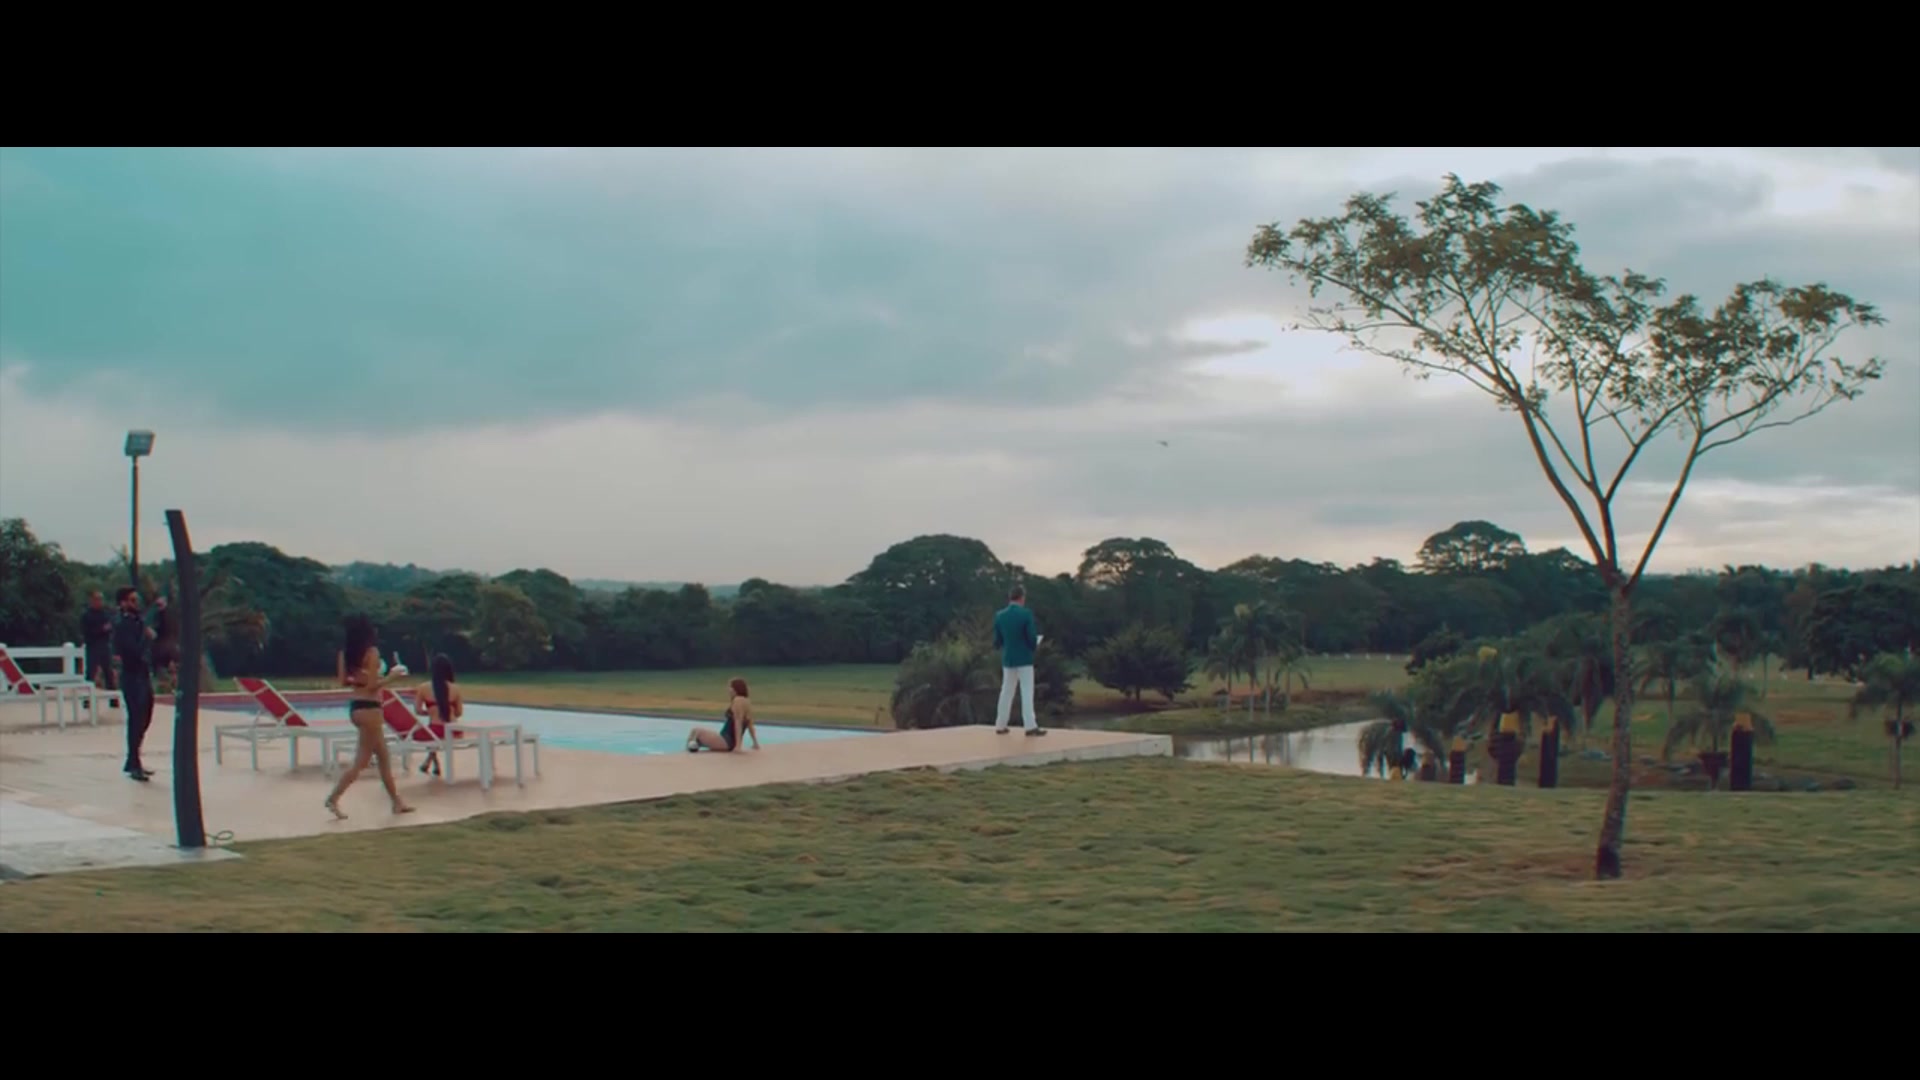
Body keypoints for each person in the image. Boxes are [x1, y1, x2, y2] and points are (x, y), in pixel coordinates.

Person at [324, 615, 414, 819]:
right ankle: (333, 798)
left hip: (356, 708)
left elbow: (343, 681)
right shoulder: (372, 653)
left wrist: (360, 679)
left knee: (383, 757)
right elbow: (373, 686)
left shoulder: (345, 654)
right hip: (371, 709)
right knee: (361, 762)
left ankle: (397, 802)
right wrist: (391, 678)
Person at [112, 587, 157, 780]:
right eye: (131, 600)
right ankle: (133, 762)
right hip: (132, 675)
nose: (135, 604)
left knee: (145, 715)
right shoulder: (122, 625)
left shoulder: (139, 622)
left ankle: (133, 759)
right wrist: (146, 638)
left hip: (142, 674)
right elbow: (132, 651)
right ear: (123, 603)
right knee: (136, 718)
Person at [992, 584, 1046, 736]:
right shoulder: (1026, 614)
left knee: (1006, 691)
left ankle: (1000, 724)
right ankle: (1030, 725)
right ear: (1022, 598)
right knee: (1027, 691)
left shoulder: (999, 615)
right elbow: (1031, 637)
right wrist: (1034, 645)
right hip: (1024, 658)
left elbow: (997, 641)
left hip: (1008, 658)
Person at [411, 654, 462, 778]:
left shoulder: (423, 688)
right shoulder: (455, 688)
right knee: (432, 736)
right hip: (454, 730)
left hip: (435, 729)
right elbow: (459, 713)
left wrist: (430, 711)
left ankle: (433, 762)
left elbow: (418, 710)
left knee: (428, 734)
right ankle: (430, 762)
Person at [686, 677, 760, 753]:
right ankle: (694, 747)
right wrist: (755, 743)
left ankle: (687, 753)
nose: (728, 690)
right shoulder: (747, 701)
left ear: (735, 689)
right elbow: (749, 723)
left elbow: (738, 722)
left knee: (696, 731)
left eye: (730, 687)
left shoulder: (737, 700)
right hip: (728, 741)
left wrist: (738, 746)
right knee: (696, 740)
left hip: (726, 741)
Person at [81, 591, 118, 692]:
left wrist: (109, 629)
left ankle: (112, 696)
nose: (99, 602)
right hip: (92, 646)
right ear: (92, 601)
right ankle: (87, 697)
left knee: (108, 672)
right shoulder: (87, 615)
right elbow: (87, 632)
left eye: (101, 599)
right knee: (91, 672)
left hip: (104, 645)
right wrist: (102, 629)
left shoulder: (106, 614)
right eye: (97, 599)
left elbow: (111, 628)